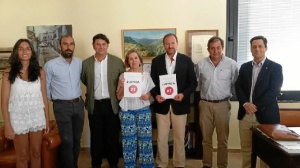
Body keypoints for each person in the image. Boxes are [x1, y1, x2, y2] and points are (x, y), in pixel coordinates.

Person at [235, 35, 283, 168]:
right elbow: (238, 87)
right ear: (251, 49)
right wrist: (245, 104)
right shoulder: (244, 67)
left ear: (266, 48)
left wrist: (254, 106)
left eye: (260, 46)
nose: (257, 49)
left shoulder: (275, 67)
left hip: (266, 115)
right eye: (254, 47)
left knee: (266, 151)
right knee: (246, 149)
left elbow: (274, 91)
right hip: (245, 114)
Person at [150, 33, 197, 168]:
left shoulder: (187, 61)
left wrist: (183, 94)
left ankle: (179, 163)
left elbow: (193, 83)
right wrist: (155, 95)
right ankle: (162, 162)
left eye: (172, 43)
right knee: (162, 137)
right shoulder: (156, 61)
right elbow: (152, 82)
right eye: (167, 43)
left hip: (180, 104)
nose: (170, 46)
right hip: (162, 104)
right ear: (163, 45)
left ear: (177, 43)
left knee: (179, 137)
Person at [1, 39, 50, 168]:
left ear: (32, 52)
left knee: (36, 153)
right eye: (21, 48)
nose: (24, 51)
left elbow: (44, 96)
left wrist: (47, 119)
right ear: (16, 52)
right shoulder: (8, 73)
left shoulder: (40, 72)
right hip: (18, 118)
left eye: (28, 48)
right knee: (22, 156)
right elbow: (4, 101)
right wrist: (7, 125)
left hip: (36, 116)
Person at [81, 33, 125, 168]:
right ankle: (96, 164)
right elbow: (84, 79)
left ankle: (113, 163)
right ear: (93, 45)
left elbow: (122, 80)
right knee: (96, 137)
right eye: (98, 44)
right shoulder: (86, 63)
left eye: (103, 44)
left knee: (112, 137)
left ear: (107, 45)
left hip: (112, 105)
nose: (101, 47)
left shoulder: (117, 62)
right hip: (95, 105)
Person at [195, 36, 238, 168]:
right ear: (208, 49)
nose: (215, 51)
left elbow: (235, 84)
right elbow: (197, 86)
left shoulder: (231, 64)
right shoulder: (201, 64)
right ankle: (207, 164)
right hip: (205, 105)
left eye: (218, 48)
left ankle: (222, 165)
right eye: (212, 48)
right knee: (206, 139)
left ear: (222, 48)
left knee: (222, 140)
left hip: (223, 105)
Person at [44, 35, 84, 168]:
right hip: (62, 107)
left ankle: (74, 165)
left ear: (74, 46)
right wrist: (58, 100)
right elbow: (46, 88)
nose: (68, 47)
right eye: (65, 44)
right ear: (59, 46)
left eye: (71, 44)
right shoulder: (50, 65)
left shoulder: (79, 63)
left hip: (78, 105)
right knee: (67, 141)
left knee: (77, 140)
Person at [116, 49, 155, 168]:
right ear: (128, 61)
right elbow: (118, 96)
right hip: (127, 111)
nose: (133, 61)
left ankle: (146, 166)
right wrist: (122, 86)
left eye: (136, 58)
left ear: (140, 60)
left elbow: (151, 93)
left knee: (145, 141)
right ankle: (130, 166)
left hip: (143, 110)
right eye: (130, 58)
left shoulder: (146, 75)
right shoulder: (123, 75)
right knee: (128, 142)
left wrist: (147, 95)